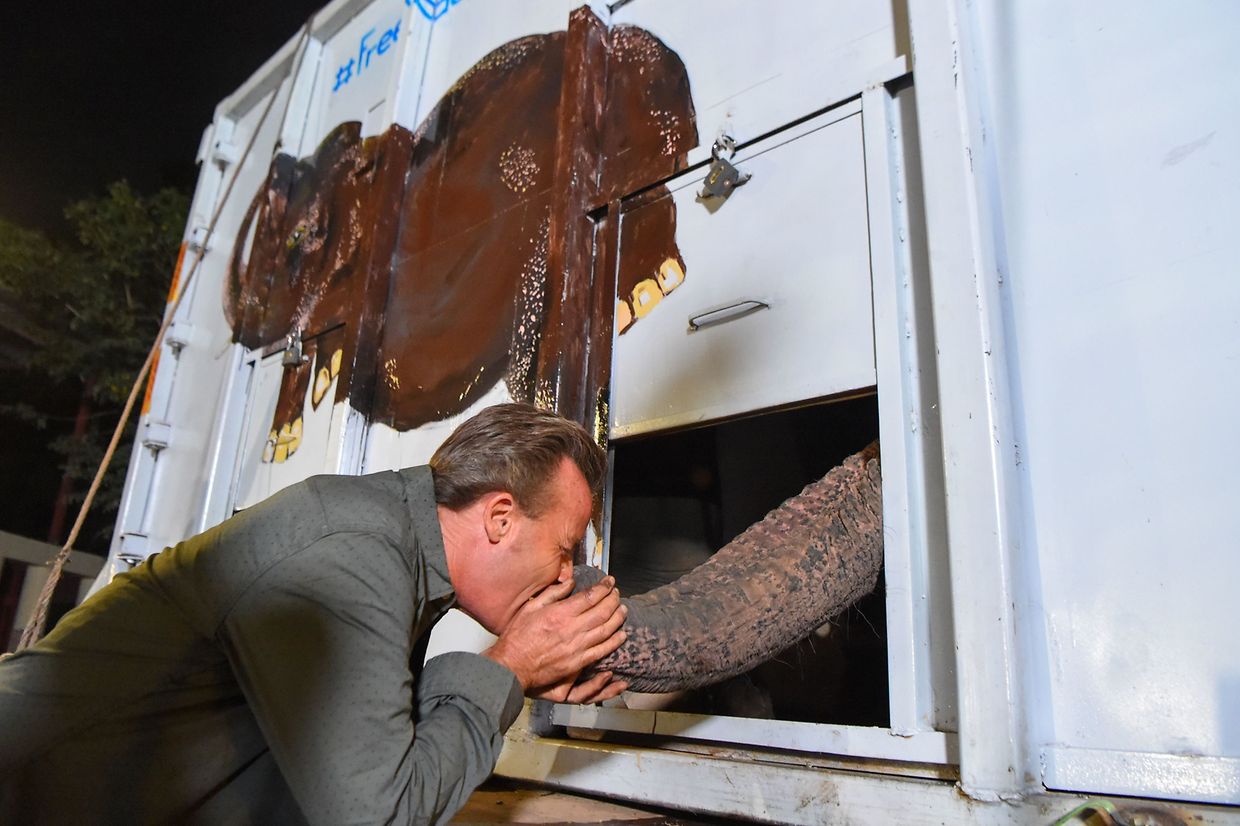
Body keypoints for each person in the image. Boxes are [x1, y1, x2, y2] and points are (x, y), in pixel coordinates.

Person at [0, 403, 629, 824]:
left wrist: (511, 675)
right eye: (565, 546)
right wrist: (508, 668)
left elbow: (361, 750)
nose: (565, 573)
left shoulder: (395, 553)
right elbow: (376, 815)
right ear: (499, 517)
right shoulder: (353, 552)